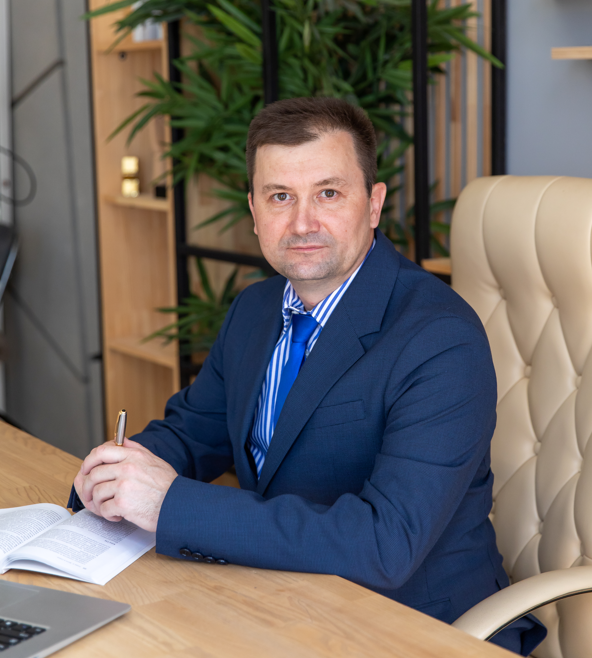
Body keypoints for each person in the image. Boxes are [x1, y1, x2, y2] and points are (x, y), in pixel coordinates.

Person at [70, 97, 545, 654]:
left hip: (421, 627)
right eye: (280, 197)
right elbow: (193, 433)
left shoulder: (440, 338)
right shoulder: (254, 310)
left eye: (328, 193)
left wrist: (167, 503)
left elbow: (385, 544)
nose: (302, 223)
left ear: (373, 204)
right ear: (254, 211)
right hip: (286, 604)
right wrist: (112, 475)